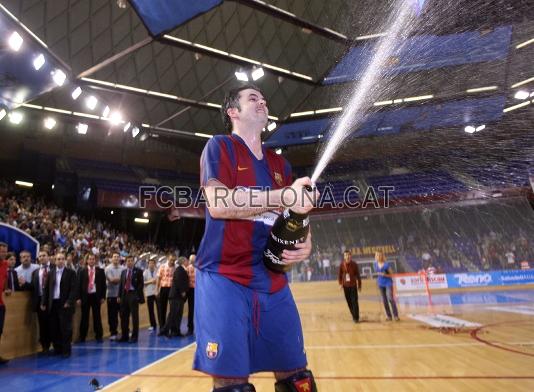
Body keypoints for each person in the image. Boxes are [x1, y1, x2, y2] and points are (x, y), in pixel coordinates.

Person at [193, 84, 319, 391]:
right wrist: (283, 195)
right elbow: (220, 204)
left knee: (297, 377)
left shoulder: (280, 164)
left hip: (272, 280)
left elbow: (293, 213)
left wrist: (306, 242)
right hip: (225, 277)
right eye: (253, 98)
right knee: (232, 383)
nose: (262, 101)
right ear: (233, 112)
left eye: (264, 98)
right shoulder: (219, 147)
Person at [42, 252, 78, 358]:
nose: (60, 261)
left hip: (65, 304)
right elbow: (46, 289)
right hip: (53, 304)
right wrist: (44, 302)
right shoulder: (51, 273)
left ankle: (66, 350)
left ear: (65, 260)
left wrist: (69, 302)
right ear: (55, 260)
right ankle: (57, 348)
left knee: (66, 328)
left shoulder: (71, 273)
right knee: (54, 327)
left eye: (62, 259)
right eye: (58, 259)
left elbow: (74, 289)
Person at [76, 253, 106, 343]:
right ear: (87, 260)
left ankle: (99, 335)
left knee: (97, 317)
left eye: (93, 259)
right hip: (85, 296)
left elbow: (103, 285)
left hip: (96, 296)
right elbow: (78, 285)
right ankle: (82, 336)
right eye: (90, 259)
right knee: (84, 317)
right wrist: (78, 298)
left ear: (95, 260)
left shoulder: (100, 271)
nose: (91, 260)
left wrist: (103, 297)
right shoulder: (82, 271)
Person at [159, 256, 189, 337]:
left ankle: (176, 331)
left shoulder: (182, 269)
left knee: (178, 314)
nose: (188, 262)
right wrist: (183, 291)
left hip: (178, 297)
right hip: (176, 296)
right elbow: (179, 281)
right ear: (183, 262)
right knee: (173, 314)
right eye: (187, 261)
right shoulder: (179, 269)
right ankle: (164, 330)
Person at [117, 255, 144, 343]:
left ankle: (134, 336)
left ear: (133, 261)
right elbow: (121, 285)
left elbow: (141, 284)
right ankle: (124, 335)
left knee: (134, 317)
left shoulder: (138, 271)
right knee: (123, 316)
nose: (129, 262)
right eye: (128, 261)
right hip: (124, 294)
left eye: (131, 261)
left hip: (133, 294)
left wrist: (137, 295)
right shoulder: (123, 272)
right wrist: (119, 296)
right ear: (126, 262)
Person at [31, 250, 52, 353]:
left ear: (48, 257)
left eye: (44, 255)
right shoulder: (35, 272)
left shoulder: (54, 268)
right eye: (40, 256)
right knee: (42, 324)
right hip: (40, 300)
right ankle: (45, 346)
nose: (42, 257)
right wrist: (24, 284)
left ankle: (57, 344)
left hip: (52, 300)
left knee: (54, 322)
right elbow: (33, 287)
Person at [338, 250, 362, 323]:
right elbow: (340, 275)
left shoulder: (354, 264)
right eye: (346, 255)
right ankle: (354, 315)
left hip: (353, 286)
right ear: (344, 257)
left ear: (350, 256)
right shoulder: (342, 265)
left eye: (348, 255)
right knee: (349, 302)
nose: (347, 256)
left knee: (354, 302)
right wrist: (340, 284)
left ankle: (356, 318)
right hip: (345, 286)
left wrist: (359, 285)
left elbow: (358, 275)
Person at [374, 251, 399, 321]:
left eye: (380, 255)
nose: (378, 257)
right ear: (375, 256)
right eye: (377, 255)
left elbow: (392, 274)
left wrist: (385, 275)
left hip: (388, 283)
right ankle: (389, 316)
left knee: (390, 298)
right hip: (380, 284)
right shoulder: (375, 264)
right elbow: (378, 273)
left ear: (382, 256)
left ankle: (396, 315)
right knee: (384, 300)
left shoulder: (386, 265)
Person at [105, 252, 123, 341]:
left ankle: (124, 331)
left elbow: (125, 280)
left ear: (119, 258)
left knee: (123, 314)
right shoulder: (107, 268)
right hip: (111, 295)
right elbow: (112, 281)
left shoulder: (123, 268)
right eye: (114, 257)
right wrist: (121, 279)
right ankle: (113, 333)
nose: (116, 258)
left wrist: (119, 279)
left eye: (117, 257)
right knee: (112, 315)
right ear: (111, 258)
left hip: (121, 295)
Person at [156, 254, 175, 329]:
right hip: (163, 289)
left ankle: (169, 326)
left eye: (173, 260)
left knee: (172, 309)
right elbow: (158, 278)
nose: (172, 261)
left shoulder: (175, 267)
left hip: (172, 289)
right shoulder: (162, 266)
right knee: (162, 309)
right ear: (168, 258)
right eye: (171, 260)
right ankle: (162, 327)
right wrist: (157, 290)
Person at [0, 242, 10, 364]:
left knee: (0, 330)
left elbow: (5, 279)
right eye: (1, 251)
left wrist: (7, 288)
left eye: (5, 251)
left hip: (1, 304)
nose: (4, 253)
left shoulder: (5, 265)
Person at [143, 258, 159, 331]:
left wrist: (157, 281)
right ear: (148, 264)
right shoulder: (145, 272)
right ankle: (153, 324)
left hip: (157, 292)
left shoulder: (158, 271)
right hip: (149, 293)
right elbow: (143, 282)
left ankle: (161, 323)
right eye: (150, 263)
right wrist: (150, 281)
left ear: (154, 264)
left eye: (153, 263)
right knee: (151, 310)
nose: (151, 265)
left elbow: (160, 280)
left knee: (159, 309)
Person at [185, 254, 196, 336]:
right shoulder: (187, 268)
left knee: (201, 310)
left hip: (199, 290)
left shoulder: (200, 268)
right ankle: (190, 328)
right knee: (191, 310)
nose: (192, 260)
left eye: (193, 259)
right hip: (190, 290)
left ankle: (201, 329)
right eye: (191, 259)